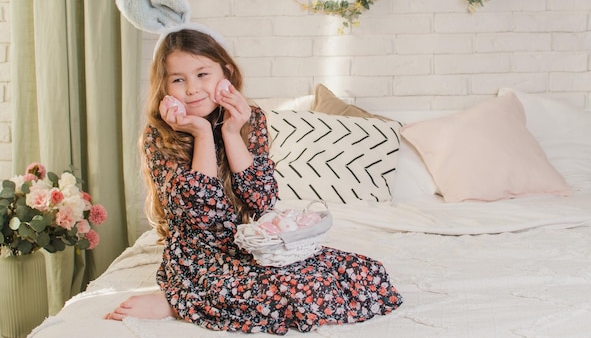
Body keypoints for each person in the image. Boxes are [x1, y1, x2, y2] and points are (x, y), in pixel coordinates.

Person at [104, 28, 403, 334]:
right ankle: (177, 299)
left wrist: (232, 133)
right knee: (298, 291)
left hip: (252, 246)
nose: (192, 89)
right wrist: (202, 133)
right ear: (164, 86)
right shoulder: (161, 135)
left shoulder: (252, 119)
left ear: (227, 73)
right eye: (178, 79)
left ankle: (195, 299)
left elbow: (261, 200)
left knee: (364, 273)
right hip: (198, 256)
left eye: (202, 74)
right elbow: (204, 218)